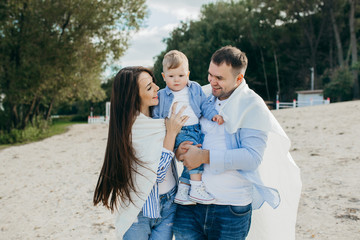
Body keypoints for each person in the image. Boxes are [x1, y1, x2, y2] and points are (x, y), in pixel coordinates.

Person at [173, 46, 302, 240]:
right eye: (210, 75)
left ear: (239, 79)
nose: (212, 81)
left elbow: (252, 158)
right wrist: (179, 150)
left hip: (229, 209)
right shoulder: (202, 95)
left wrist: (204, 156)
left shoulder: (253, 106)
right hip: (189, 205)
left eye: (220, 78)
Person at [93, 66, 189, 240]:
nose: (157, 88)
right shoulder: (132, 129)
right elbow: (157, 173)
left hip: (169, 204)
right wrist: (172, 134)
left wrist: (179, 150)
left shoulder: (160, 119)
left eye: (154, 83)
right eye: (149, 87)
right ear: (133, 97)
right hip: (141, 210)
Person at [153, 50, 224, 205]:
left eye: (181, 75)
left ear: (188, 74)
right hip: (179, 130)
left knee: (195, 152)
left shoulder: (195, 88)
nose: (176, 80)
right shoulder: (162, 95)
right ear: (164, 77)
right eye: (171, 76)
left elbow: (205, 104)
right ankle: (197, 187)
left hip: (196, 128)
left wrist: (213, 115)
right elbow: (157, 116)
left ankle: (183, 190)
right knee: (194, 153)